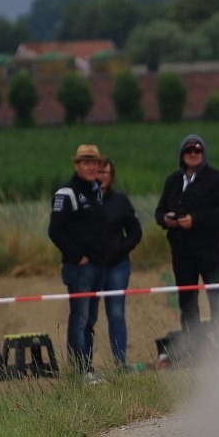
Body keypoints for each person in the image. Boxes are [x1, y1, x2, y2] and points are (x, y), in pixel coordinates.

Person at [155, 133, 219, 335]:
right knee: (187, 301)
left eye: (197, 150)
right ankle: (194, 346)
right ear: (182, 154)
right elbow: (159, 211)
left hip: (210, 250)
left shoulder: (217, 179)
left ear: (203, 153)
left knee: (216, 296)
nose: (193, 154)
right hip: (181, 252)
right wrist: (166, 220)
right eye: (188, 150)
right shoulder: (173, 181)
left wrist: (195, 220)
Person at [48, 143, 107, 380]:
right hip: (80, 268)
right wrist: (77, 256)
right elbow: (55, 231)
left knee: (90, 319)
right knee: (79, 318)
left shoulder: (96, 190)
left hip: (98, 266)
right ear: (77, 165)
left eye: (94, 162)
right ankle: (79, 371)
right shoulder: (66, 192)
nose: (91, 166)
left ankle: (87, 368)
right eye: (86, 162)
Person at [87, 158, 142, 369]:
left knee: (116, 314)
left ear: (111, 177)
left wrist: (119, 250)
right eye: (98, 172)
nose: (101, 176)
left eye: (105, 173)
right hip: (89, 268)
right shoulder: (83, 199)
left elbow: (135, 232)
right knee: (87, 316)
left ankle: (120, 364)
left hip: (117, 267)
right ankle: (85, 366)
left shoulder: (121, 201)